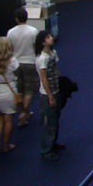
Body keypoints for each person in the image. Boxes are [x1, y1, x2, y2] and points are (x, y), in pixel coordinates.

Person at [6, 8, 39, 128]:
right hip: (30, 62)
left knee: (19, 89)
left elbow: (9, 48)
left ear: (16, 18)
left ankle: (24, 113)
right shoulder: (33, 31)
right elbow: (36, 46)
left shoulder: (10, 32)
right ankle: (24, 112)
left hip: (16, 63)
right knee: (30, 88)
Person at [35, 30, 65, 161]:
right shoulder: (42, 58)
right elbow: (44, 78)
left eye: (50, 36)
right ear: (43, 42)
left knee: (55, 118)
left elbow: (56, 70)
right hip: (48, 94)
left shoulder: (53, 54)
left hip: (56, 90)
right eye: (48, 37)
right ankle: (46, 151)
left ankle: (53, 143)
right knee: (49, 122)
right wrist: (50, 96)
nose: (51, 38)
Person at [0, 37, 20, 154]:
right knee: (9, 119)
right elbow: (18, 74)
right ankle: (6, 145)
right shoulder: (13, 61)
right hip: (9, 90)